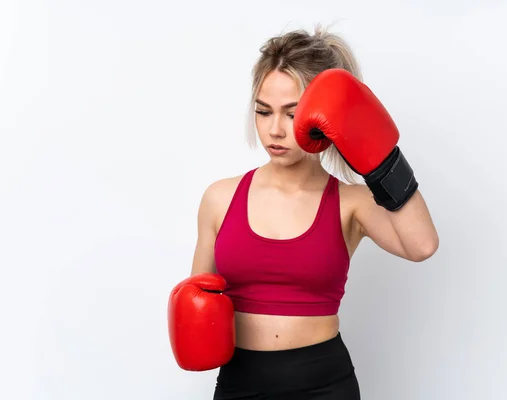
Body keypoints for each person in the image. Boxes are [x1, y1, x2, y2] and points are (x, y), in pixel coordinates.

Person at [167, 24, 439, 399]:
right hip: (240, 384)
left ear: (321, 118)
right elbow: (198, 304)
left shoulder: (351, 202)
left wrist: (382, 160)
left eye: (292, 114)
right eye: (264, 112)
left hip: (324, 386)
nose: (274, 130)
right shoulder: (220, 198)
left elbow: (422, 245)